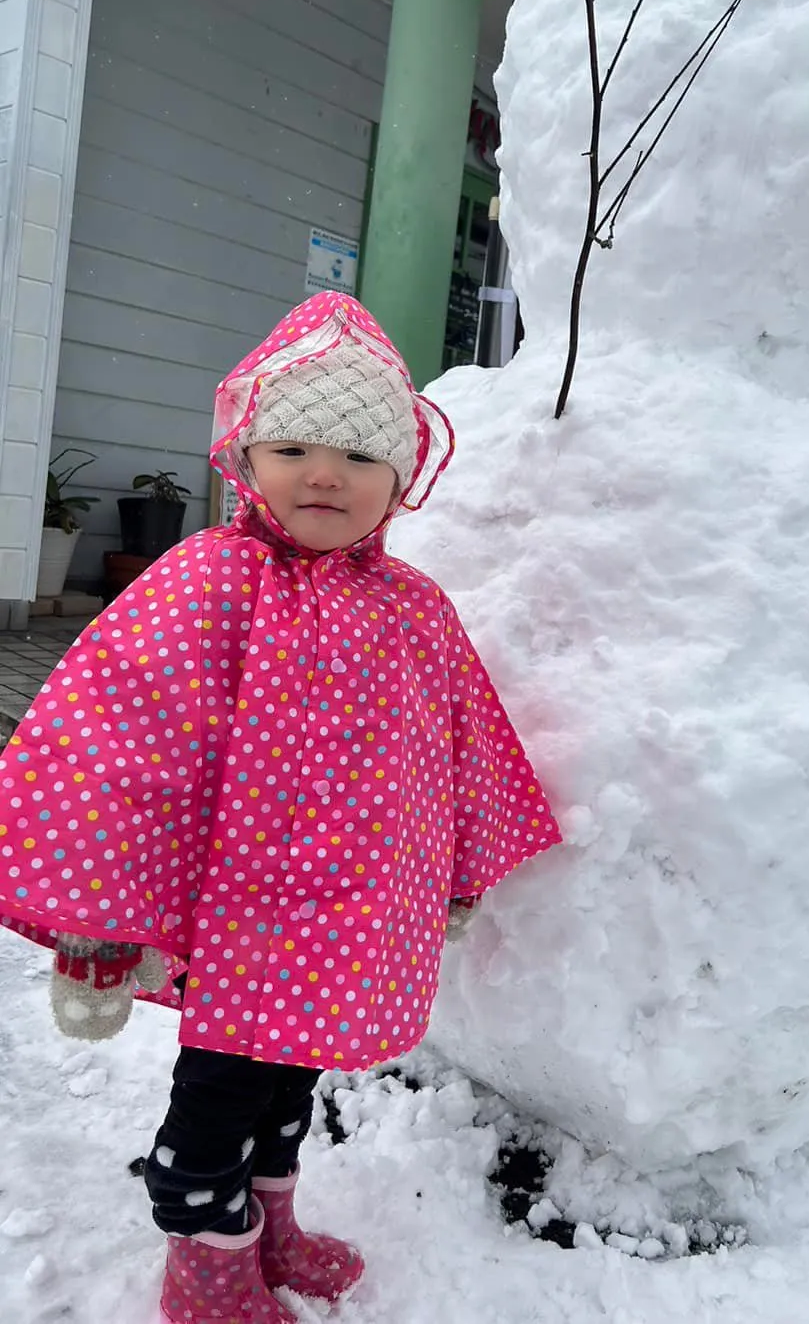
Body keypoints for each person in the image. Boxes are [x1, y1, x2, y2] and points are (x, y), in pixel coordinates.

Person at [0, 290, 561, 1323]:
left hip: (342, 922)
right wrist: (97, 923)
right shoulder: (208, 582)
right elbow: (120, 744)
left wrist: (455, 875)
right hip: (242, 923)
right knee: (218, 1093)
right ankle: (206, 1260)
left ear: (399, 479)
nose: (323, 475)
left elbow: (460, 747)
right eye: (295, 446)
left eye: (356, 456)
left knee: (291, 1085)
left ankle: (272, 1221)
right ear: (245, 458)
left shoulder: (414, 610)